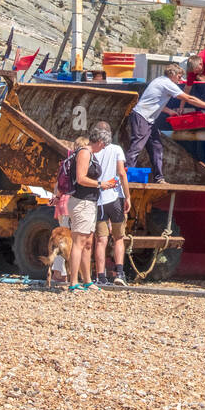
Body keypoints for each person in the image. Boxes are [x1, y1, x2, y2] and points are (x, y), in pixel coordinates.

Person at [125, 63, 205, 184]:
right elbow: (188, 98)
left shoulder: (159, 80)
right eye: (179, 77)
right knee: (136, 147)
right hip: (142, 117)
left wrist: (169, 111)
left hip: (147, 119)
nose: (180, 80)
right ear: (172, 74)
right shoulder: (167, 83)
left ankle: (159, 179)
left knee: (156, 147)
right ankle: (126, 177)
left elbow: (154, 100)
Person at [89, 121, 131, 287]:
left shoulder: (92, 151)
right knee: (119, 237)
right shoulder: (116, 149)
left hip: (98, 199)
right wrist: (127, 196)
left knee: (101, 240)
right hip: (115, 198)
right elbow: (121, 173)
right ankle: (119, 273)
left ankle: (101, 276)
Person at [68, 137, 110, 292]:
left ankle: (87, 281)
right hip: (81, 202)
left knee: (87, 243)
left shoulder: (91, 154)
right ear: (99, 141)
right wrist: (100, 184)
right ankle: (73, 282)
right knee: (78, 243)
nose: (104, 148)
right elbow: (81, 178)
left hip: (90, 202)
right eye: (104, 144)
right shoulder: (85, 152)